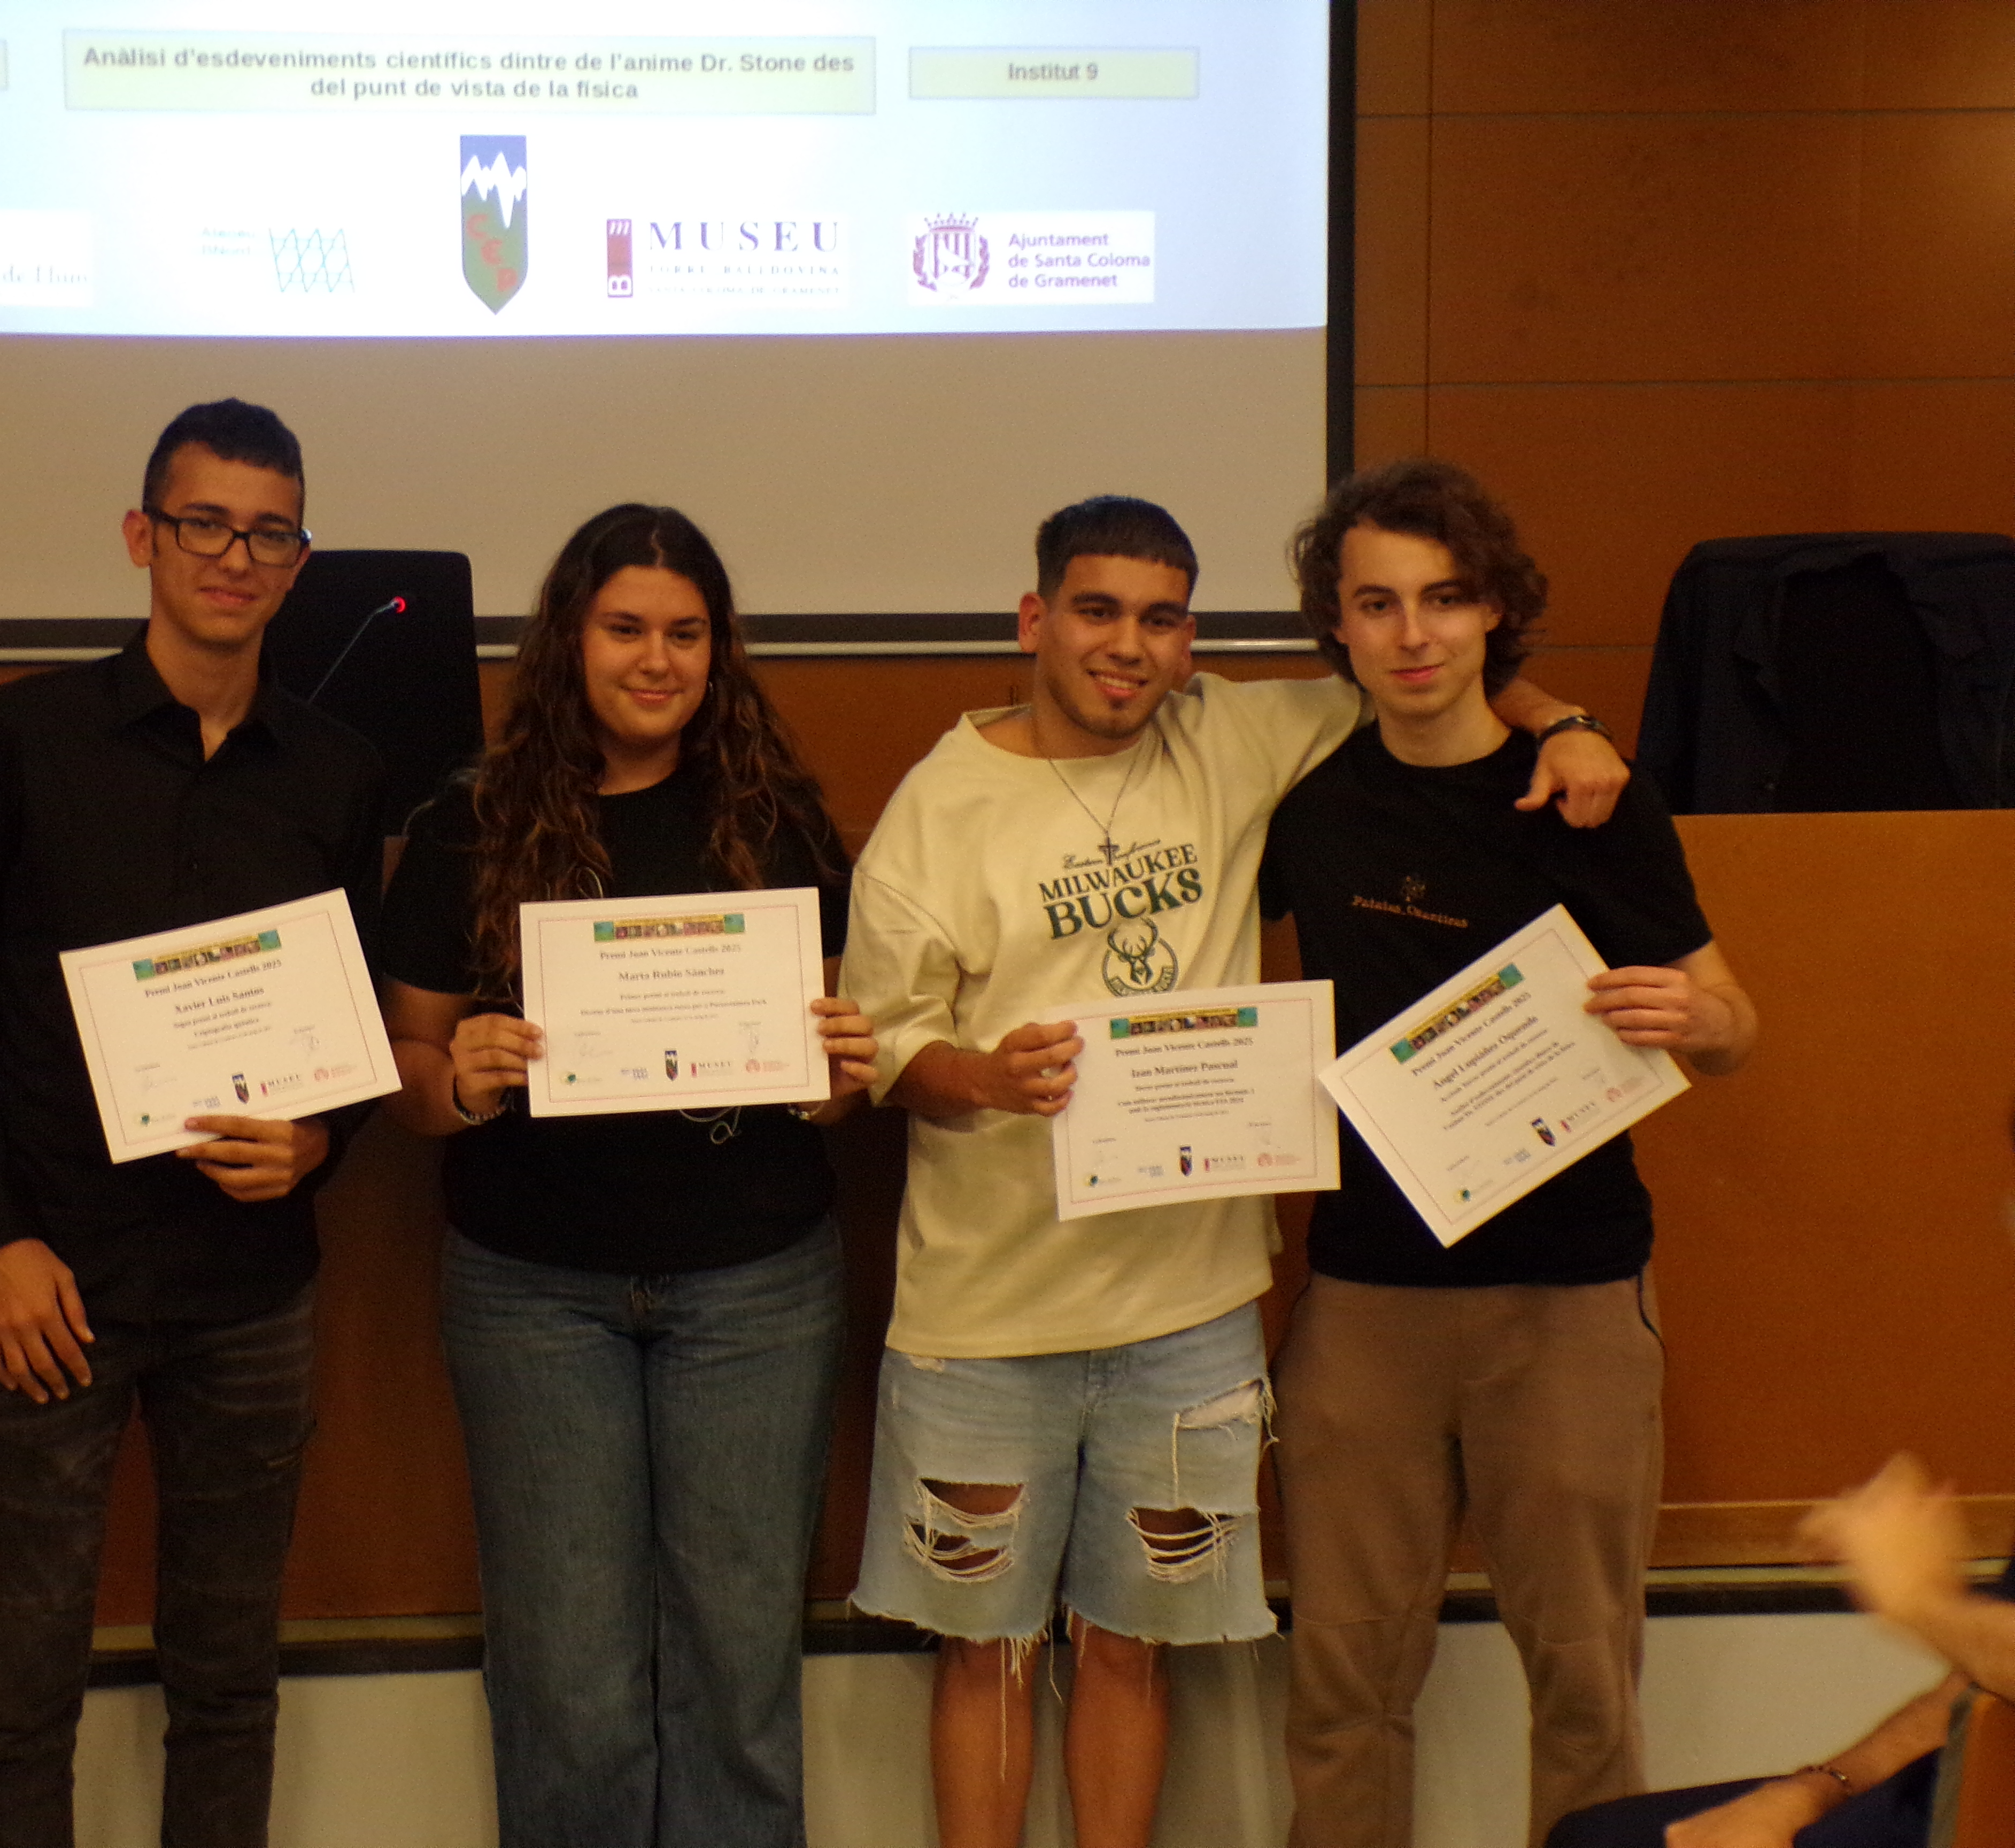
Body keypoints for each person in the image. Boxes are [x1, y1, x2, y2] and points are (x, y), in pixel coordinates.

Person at [839, 494, 1630, 1848]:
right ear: (1034, 620)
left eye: (1160, 620)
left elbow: (1429, 671)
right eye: (1097, 611)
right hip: (983, 1317)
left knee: (1133, 1649)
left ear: (1189, 641)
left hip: (1188, 1315)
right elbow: (885, 1049)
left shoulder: (1236, 733)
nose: (1127, 646)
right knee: (985, 1654)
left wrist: (1566, 721)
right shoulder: (939, 805)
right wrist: (984, 1076)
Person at [0, 399, 384, 1848]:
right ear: (140, 537)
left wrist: (322, 1142)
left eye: (267, 533)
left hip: (249, 1294)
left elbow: (353, 1042)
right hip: (51, 1285)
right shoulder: (24, 736)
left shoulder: (337, 772)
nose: (234, 555)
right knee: (21, 1693)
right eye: (203, 523)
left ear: (299, 562)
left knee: (228, 1686)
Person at [1260, 457, 1759, 1848]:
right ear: (1339, 626)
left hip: (1570, 1305)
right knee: (1343, 1690)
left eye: (1445, 597)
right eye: (1378, 603)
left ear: (1494, 611)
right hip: (1365, 1302)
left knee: (1587, 1688)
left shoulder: (1592, 800)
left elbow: (1735, 1023)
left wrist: (1699, 1020)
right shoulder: (1306, 804)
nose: (1413, 633)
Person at [376, 503, 878, 1848]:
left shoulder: (776, 820)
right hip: (533, 1295)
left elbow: (832, 1075)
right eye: (625, 629)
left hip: (756, 1288)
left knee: (738, 1666)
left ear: (719, 651)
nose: (656, 660)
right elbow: (405, 1068)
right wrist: (461, 1076)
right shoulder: (470, 823)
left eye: (685, 633)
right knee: (569, 1681)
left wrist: (840, 1072)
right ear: (569, 640)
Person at [1550, 1453, 2015, 1847]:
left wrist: (1921, 1598)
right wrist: (1810, 1793)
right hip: (1938, 1795)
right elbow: (1977, 1691)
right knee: (1598, 1838)